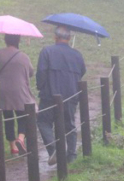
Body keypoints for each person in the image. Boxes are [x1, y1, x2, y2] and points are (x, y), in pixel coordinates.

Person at [36, 26, 86, 165]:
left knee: (43, 122)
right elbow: (82, 71)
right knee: (69, 124)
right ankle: (72, 156)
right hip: (71, 95)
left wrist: (41, 86)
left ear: (55, 37)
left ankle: (54, 150)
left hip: (49, 95)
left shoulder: (47, 51)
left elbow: (41, 72)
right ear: (69, 38)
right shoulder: (77, 55)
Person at [0, 34, 35, 155]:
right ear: (18, 40)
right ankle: (20, 139)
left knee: (8, 117)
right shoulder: (24, 57)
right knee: (23, 115)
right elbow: (30, 72)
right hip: (19, 91)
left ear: (5, 40)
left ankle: (13, 147)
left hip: (3, 91)